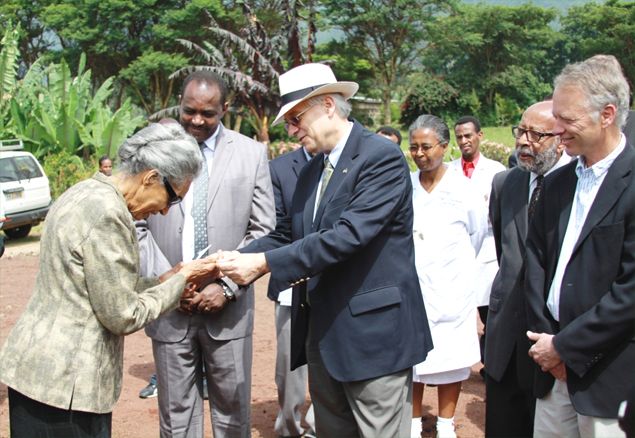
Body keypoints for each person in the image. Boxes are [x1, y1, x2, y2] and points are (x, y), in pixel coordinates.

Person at [216, 63, 433, 438]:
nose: (292, 130)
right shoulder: (311, 170)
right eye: (288, 122)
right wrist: (232, 259)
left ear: (329, 105)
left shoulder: (381, 158)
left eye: (296, 117)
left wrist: (263, 263)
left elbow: (346, 236)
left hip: (373, 338)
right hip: (322, 333)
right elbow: (288, 233)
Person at [0, 123, 220, 438]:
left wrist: (164, 280)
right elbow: (123, 314)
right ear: (151, 177)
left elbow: (95, 287)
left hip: (41, 375)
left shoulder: (85, 191)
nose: (165, 212)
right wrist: (182, 277)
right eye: (172, 199)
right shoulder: (109, 214)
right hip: (67, 386)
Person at [136, 70, 275, 438]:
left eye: (208, 113)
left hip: (228, 309)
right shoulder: (155, 152)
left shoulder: (251, 153)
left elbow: (263, 230)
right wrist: (171, 284)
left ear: (225, 109)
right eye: (189, 110)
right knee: (175, 413)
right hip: (169, 308)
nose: (197, 120)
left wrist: (227, 286)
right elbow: (136, 223)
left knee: (232, 412)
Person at [525, 54, 634, 437]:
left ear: (607, 114)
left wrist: (567, 348)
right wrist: (548, 348)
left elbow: (630, 292)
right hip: (551, 373)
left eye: (566, 119)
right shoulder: (556, 184)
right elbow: (535, 264)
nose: (556, 129)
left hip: (609, 376)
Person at [484, 101, 569, 438]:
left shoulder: (576, 186)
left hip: (551, 339)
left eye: (537, 135)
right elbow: (507, 253)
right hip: (504, 335)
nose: (523, 141)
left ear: (561, 139)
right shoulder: (505, 184)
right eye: (521, 131)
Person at [407, 115, 487, 438]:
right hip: (413, 288)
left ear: (444, 145)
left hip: (452, 289)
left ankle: (444, 424)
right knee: (412, 363)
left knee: (451, 359)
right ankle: (412, 425)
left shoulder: (463, 189)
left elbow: (477, 235)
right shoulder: (405, 185)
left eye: (427, 146)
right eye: (413, 147)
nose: (420, 153)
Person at [448, 116, 505, 367]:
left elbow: (499, 213)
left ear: (479, 136)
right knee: (452, 310)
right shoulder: (448, 170)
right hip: (455, 250)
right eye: (459, 137)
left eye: (468, 135)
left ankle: (490, 365)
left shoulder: (497, 171)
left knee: (487, 313)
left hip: (487, 252)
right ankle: (448, 362)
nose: (463, 141)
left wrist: (477, 211)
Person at [268, 145, 316, 438]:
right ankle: (289, 427)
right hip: (290, 282)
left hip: (332, 282)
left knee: (328, 362)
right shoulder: (279, 167)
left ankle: (318, 427)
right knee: (288, 365)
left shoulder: (347, 161)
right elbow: (275, 224)